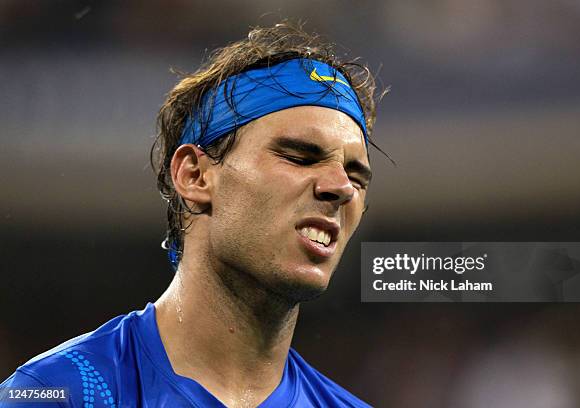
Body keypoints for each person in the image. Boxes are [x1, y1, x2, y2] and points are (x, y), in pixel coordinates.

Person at [1, 21, 382, 407]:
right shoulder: (59, 392)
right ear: (195, 176)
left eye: (356, 175)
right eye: (299, 157)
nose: (342, 187)